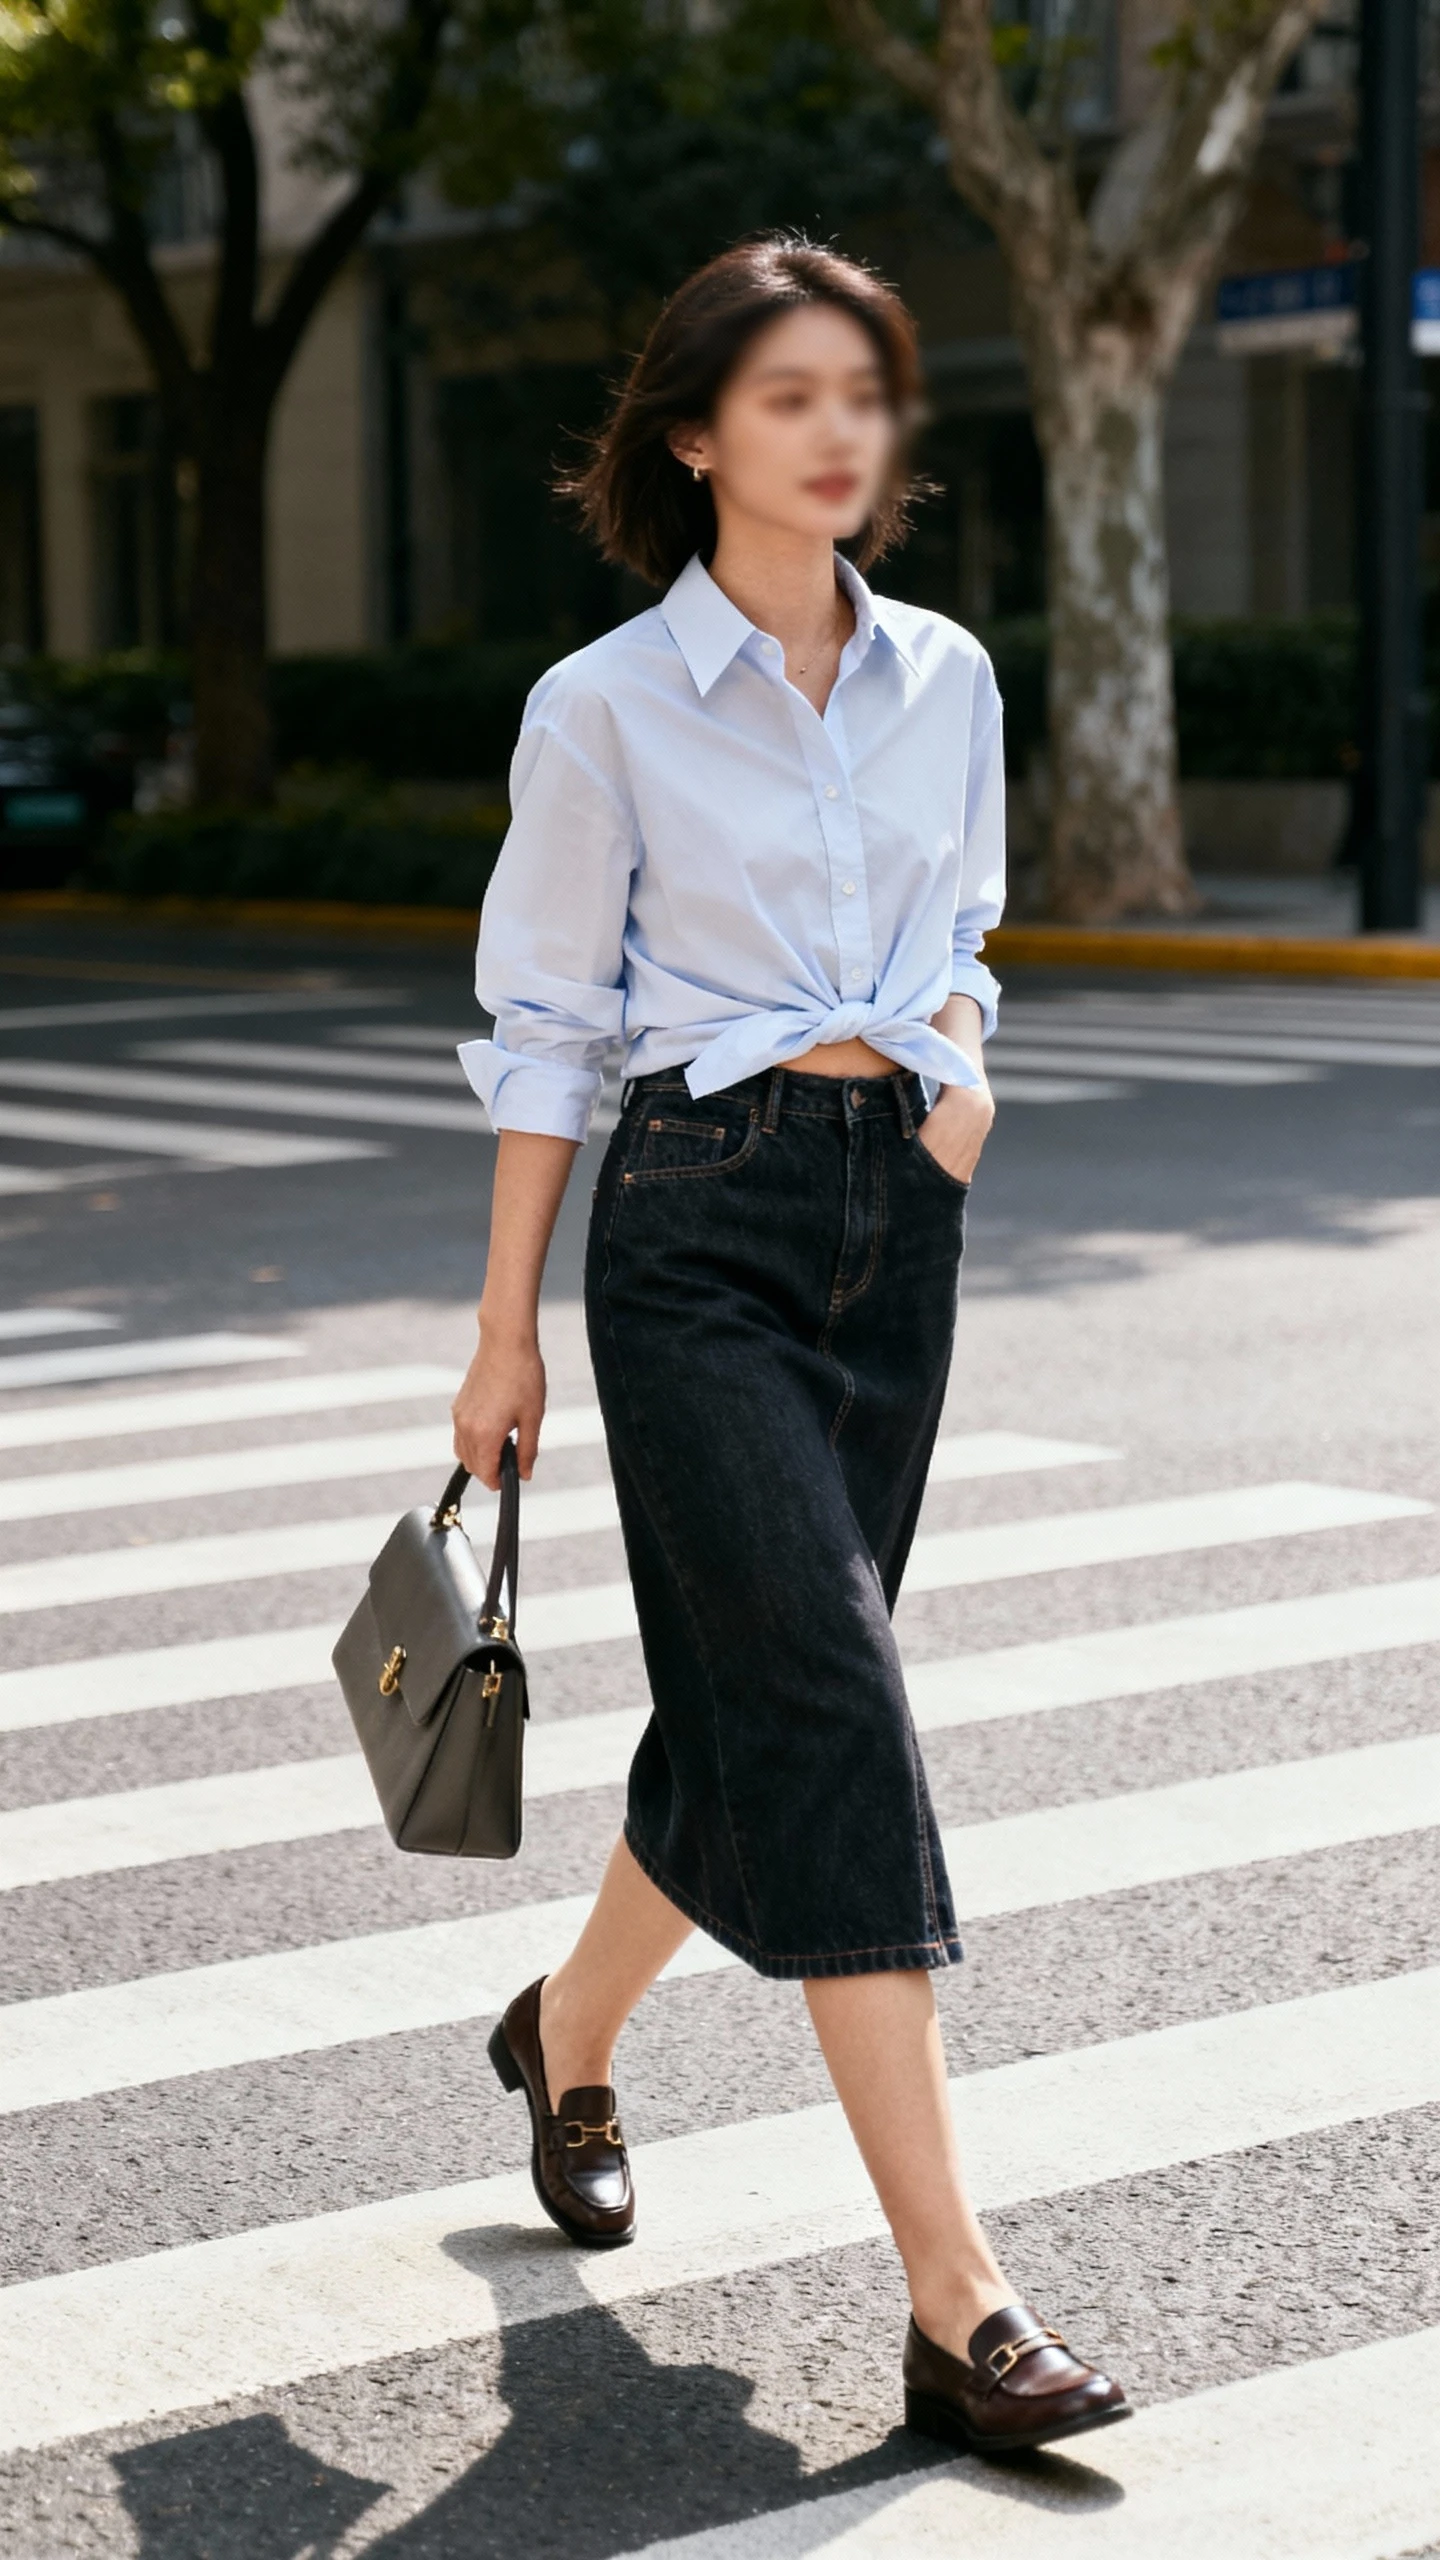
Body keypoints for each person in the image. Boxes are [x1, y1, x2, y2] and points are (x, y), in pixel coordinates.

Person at [451, 232, 1131, 2456]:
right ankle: (961, 2297)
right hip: (697, 1224)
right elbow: (548, 1030)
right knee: (833, 1705)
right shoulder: (605, 706)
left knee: (765, 1703)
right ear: (691, 436)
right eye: (790, 395)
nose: (844, 430)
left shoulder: (948, 675)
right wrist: (503, 1338)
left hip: (892, 1224)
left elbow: (970, 928)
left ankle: (561, 2025)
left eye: (866, 391)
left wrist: (958, 1062)